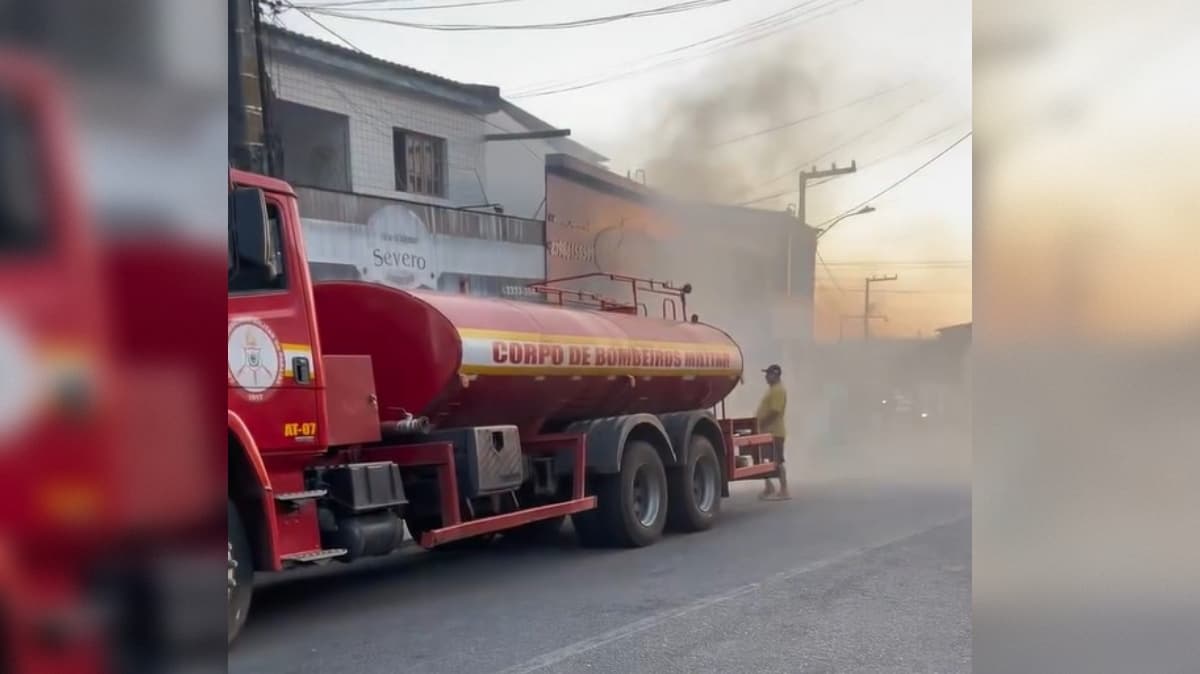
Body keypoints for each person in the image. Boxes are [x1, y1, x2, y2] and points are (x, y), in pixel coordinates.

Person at [756, 364, 790, 500]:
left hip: (775, 432)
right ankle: (769, 487)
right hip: (768, 432)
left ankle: (784, 490)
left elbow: (775, 411)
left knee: (777, 461)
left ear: (775, 375)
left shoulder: (778, 390)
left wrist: (763, 422)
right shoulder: (772, 390)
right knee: (766, 460)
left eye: (768, 374)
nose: (766, 377)